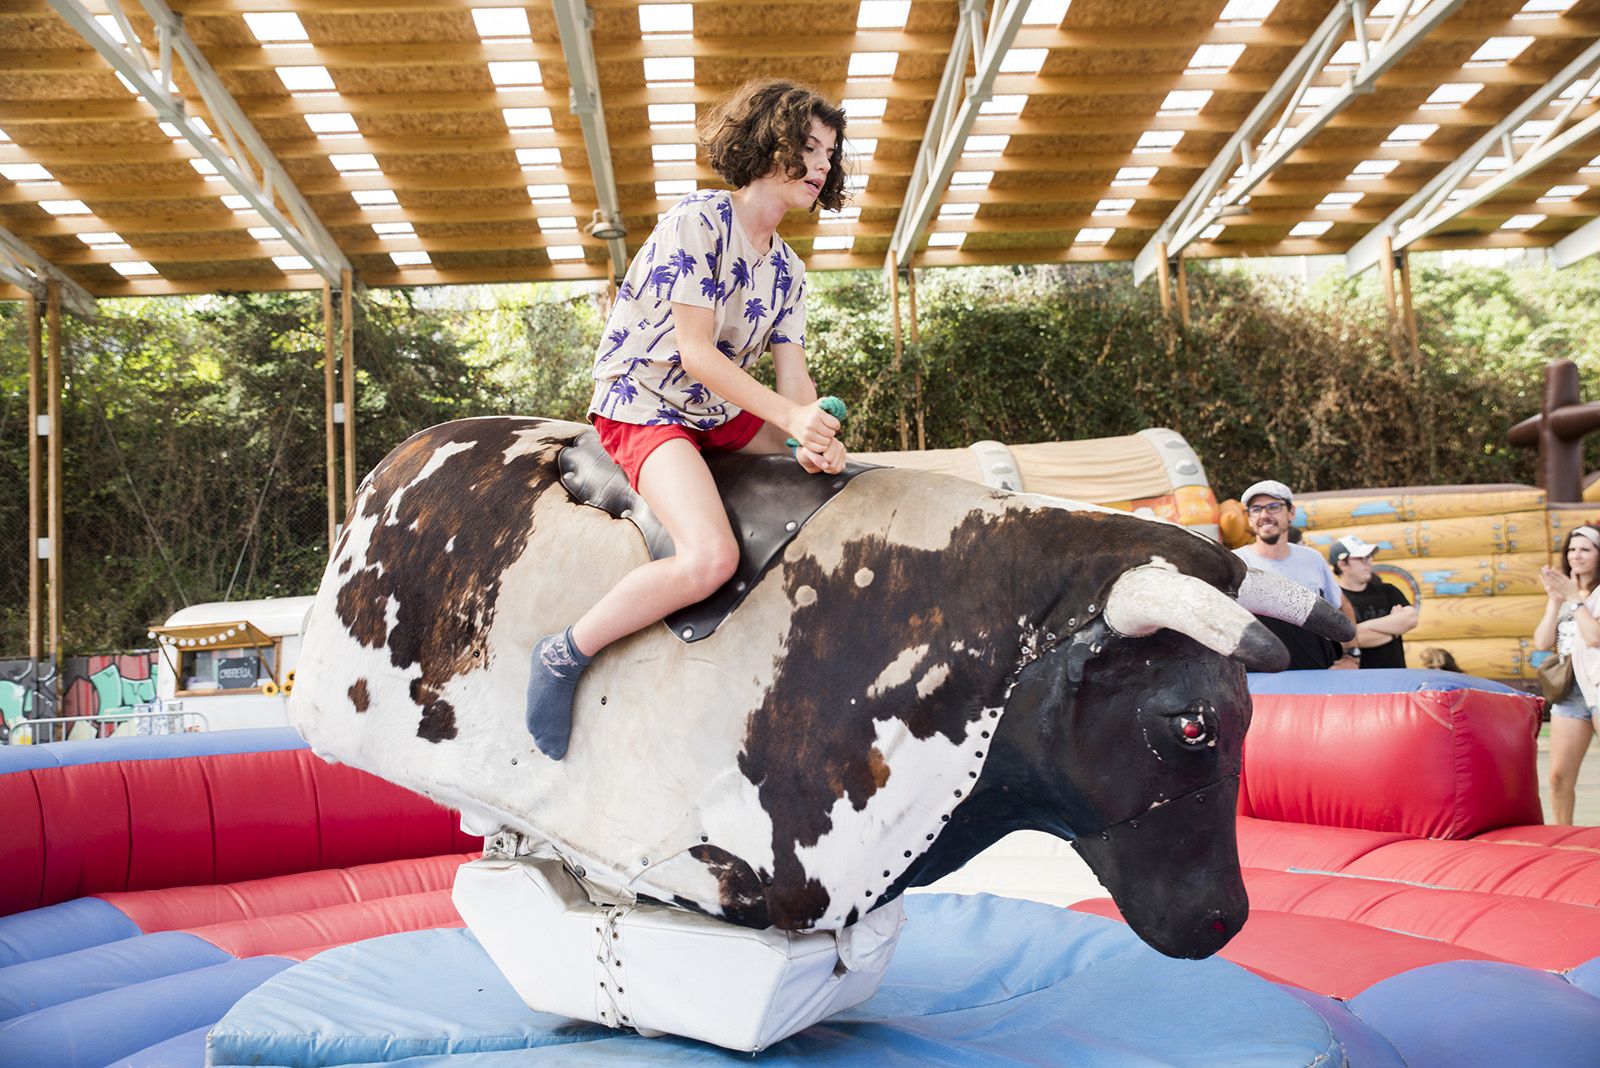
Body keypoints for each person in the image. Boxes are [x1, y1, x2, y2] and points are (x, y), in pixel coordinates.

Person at [523, 80, 851, 760]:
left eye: (831, 154)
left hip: (717, 410)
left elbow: (794, 380)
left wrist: (810, 431)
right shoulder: (698, 222)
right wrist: (788, 415)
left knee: (828, 485)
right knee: (711, 557)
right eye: (811, 148)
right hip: (645, 400)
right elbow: (696, 355)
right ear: (771, 142)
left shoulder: (789, 271)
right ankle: (562, 654)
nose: (822, 165)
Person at [1232, 479, 1356, 670]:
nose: (1264, 515)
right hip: (1259, 681)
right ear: (1249, 518)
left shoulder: (1312, 559)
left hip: (1314, 676)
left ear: (1291, 513)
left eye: (1273, 507)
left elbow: (1341, 605)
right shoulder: (1235, 563)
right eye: (1256, 509)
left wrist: (1351, 656)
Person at [1533, 525, 1600, 825]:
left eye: (1585, 549)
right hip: (1570, 692)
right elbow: (1542, 642)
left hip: (1597, 686)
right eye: (1572, 549)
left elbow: (1595, 636)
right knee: (1559, 777)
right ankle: (1564, 838)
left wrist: (1575, 599)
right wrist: (1555, 599)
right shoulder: (1566, 595)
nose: (1576, 555)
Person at [1328, 535, 1418, 669]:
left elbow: (1410, 619)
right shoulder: (1333, 599)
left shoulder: (1388, 591)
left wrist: (1356, 631)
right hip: (1358, 683)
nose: (1369, 562)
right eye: (1361, 559)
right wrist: (1394, 628)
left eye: (1369, 557)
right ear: (1342, 564)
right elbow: (1348, 640)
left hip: (1394, 678)